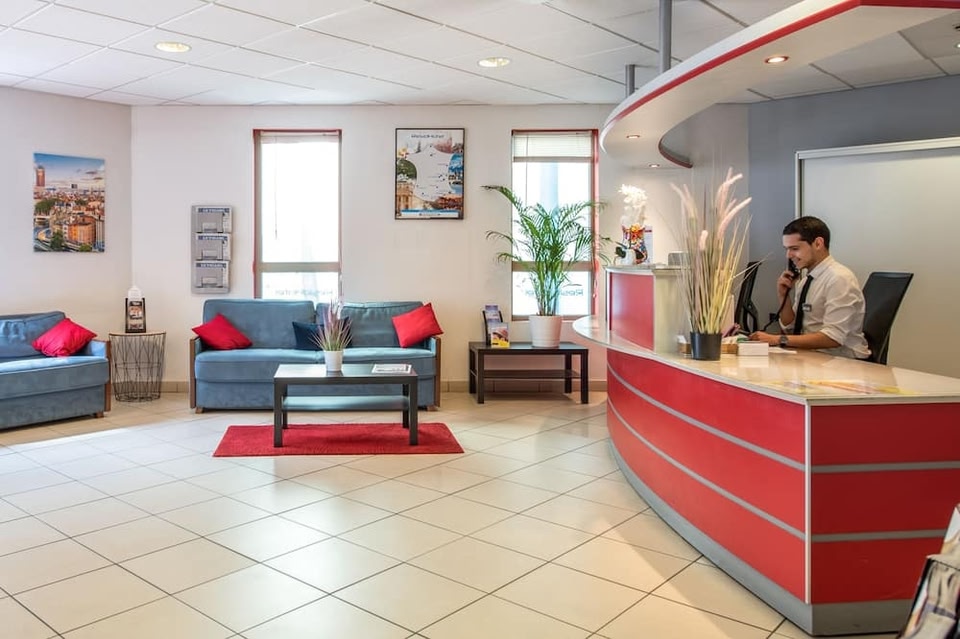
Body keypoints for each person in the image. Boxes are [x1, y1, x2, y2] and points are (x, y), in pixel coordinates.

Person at [749, 216, 870, 359]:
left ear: (818, 243)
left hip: (842, 360)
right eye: (787, 249)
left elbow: (833, 338)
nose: (789, 255)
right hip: (813, 356)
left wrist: (777, 339)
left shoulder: (839, 279)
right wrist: (783, 296)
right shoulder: (806, 280)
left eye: (794, 249)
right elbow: (790, 328)